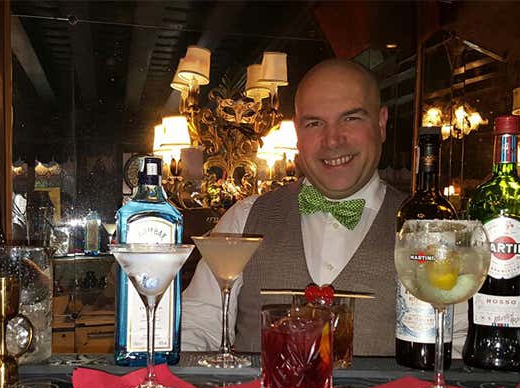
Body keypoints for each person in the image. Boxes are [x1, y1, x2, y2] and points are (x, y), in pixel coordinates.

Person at [182, 58, 467, 356]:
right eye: (314, 123)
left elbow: (456, 342)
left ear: (381, 123)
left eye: (350, 118)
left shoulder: (430, 231)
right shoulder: (243, 219)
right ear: (297, 133)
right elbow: (197, 324)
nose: (332, 140)